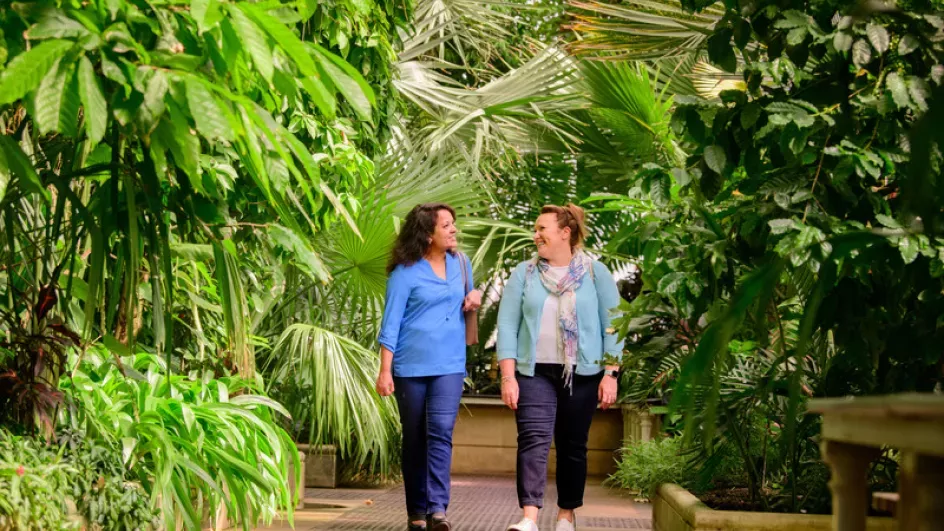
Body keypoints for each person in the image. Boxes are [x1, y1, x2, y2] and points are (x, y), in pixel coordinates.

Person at [496, 204, 621, 531]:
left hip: (584, 372)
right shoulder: (524, 273)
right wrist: (508, 376)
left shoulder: (596, 273)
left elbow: (615, 325)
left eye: (541, 229)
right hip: (534, 371)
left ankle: (566, 515)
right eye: (535, 229)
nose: (535, 235)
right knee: (533, 439)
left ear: (565, 233)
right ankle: (529, 517)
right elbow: (508, 326)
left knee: (573, 445)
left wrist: (611, 374)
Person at [376, 203, 482, 531]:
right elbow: (390, 323)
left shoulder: (461, 264)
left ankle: (438, 509)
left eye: (453, 223)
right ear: (427, 233)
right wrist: (384, 370)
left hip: (449, 365)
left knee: (441, 433)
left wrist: (474, 296)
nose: (453, 230)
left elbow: (468, 298)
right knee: (415, 437)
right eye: (446, 225)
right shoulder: (404, 272)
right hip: (409, 368)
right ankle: (416, 513)